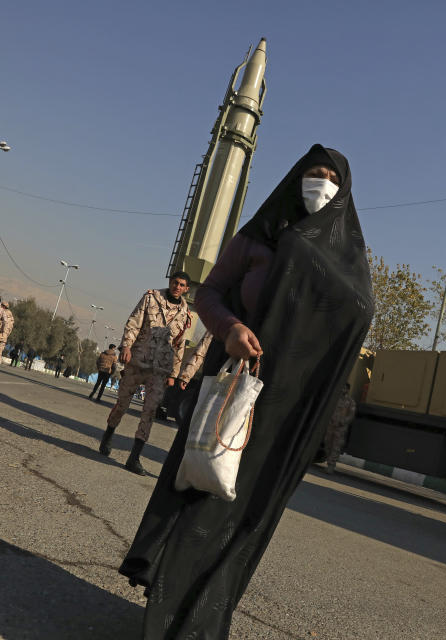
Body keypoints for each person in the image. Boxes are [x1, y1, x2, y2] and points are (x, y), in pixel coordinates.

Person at [118, 145, 373, 637]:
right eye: (312, 174)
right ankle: (165, 615)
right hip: (235, 390)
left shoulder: (349, 260)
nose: (320, 183)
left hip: (287, 413)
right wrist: (231, 327)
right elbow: (208, 292)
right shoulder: (262, 235)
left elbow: (356, 318)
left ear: (345, 193)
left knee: (244, 516)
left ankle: (202, 624)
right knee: (203, 492)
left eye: (330, 178)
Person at [98, 272, 192, 475]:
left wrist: (174, 374)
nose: (177, 286)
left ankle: (134, 458)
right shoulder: (151, 298)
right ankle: (108, 434)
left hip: (160, 370)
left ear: (186, 289)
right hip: (138, 361)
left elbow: (179, 345)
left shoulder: (185, 314)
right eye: (175, 282)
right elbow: (134, 322)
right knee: (122, 404)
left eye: (181, 284)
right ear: (170, 282)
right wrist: (126, 347)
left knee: (149, 412)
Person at [323, 383, 357, 473]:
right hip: (331, 425)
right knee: (327, 444)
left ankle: (331, 465)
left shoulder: (350, 402)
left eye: (345, 388)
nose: (343, 390)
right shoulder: (334, 399)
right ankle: (328, 461)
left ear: (348, 390)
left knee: (336, 447)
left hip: (340, 428)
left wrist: (343, 422)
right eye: (342, 388)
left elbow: (351, 415)